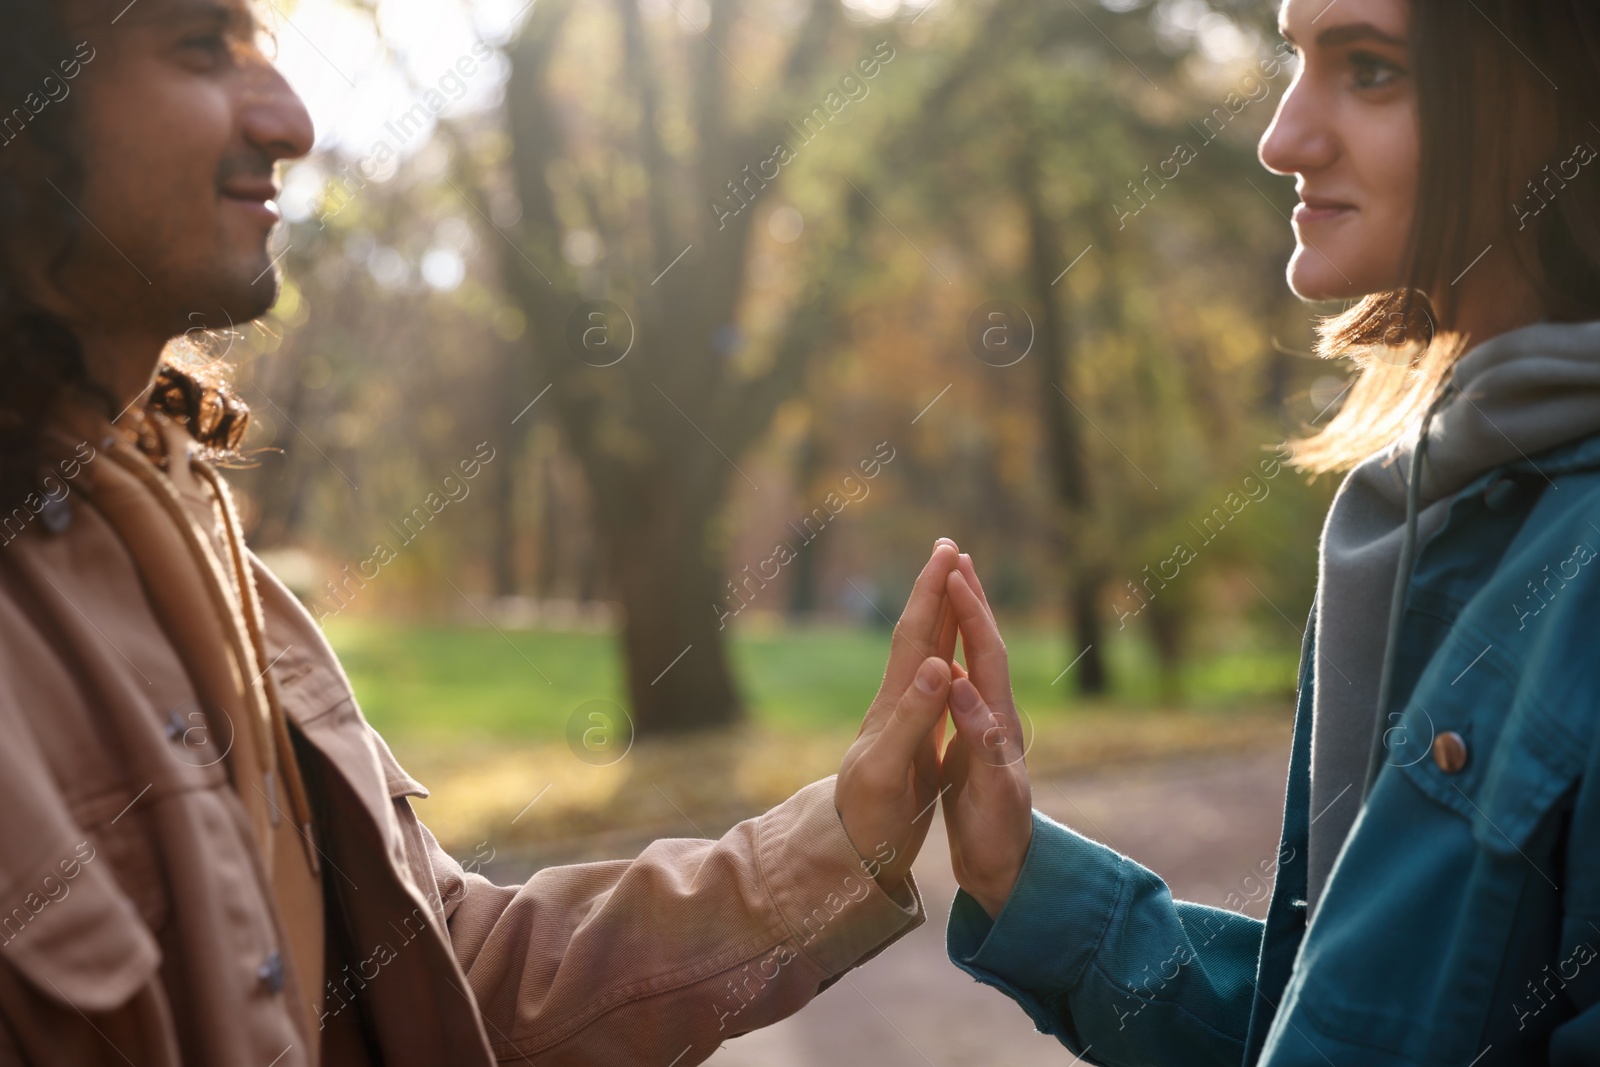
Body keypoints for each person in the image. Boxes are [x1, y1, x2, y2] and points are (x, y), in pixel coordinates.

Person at [0, 1, 972, 1063]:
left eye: (262, 51)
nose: (290, 121)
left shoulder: (187, 532)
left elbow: (445, 979)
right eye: (200, 49)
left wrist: (839, 841)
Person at [935, 0, 1600, 1063]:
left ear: (1555, 91)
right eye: (1297, 58)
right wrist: (1022, 876)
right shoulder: (1430, 501)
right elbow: (1333, 1014)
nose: (1282, 137)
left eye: (1371, 70)